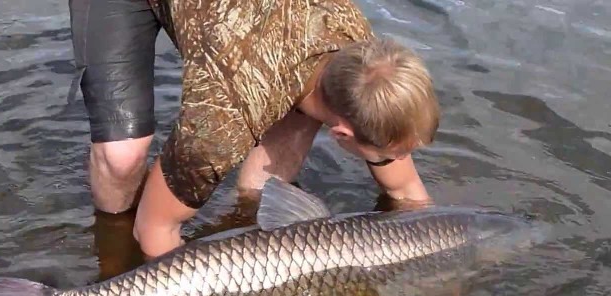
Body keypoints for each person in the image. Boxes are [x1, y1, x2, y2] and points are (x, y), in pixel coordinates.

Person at [69, 0, 441, 260]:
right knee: (122, 159)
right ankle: (111, 258)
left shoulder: (360, 55)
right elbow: (154, 230)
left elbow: (407, 191)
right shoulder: (221, 120)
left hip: (259, 37)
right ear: (341, 135)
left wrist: (445, 257)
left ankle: (254, 209)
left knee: (304, 105)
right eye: (393, 156)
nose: (399, 162)